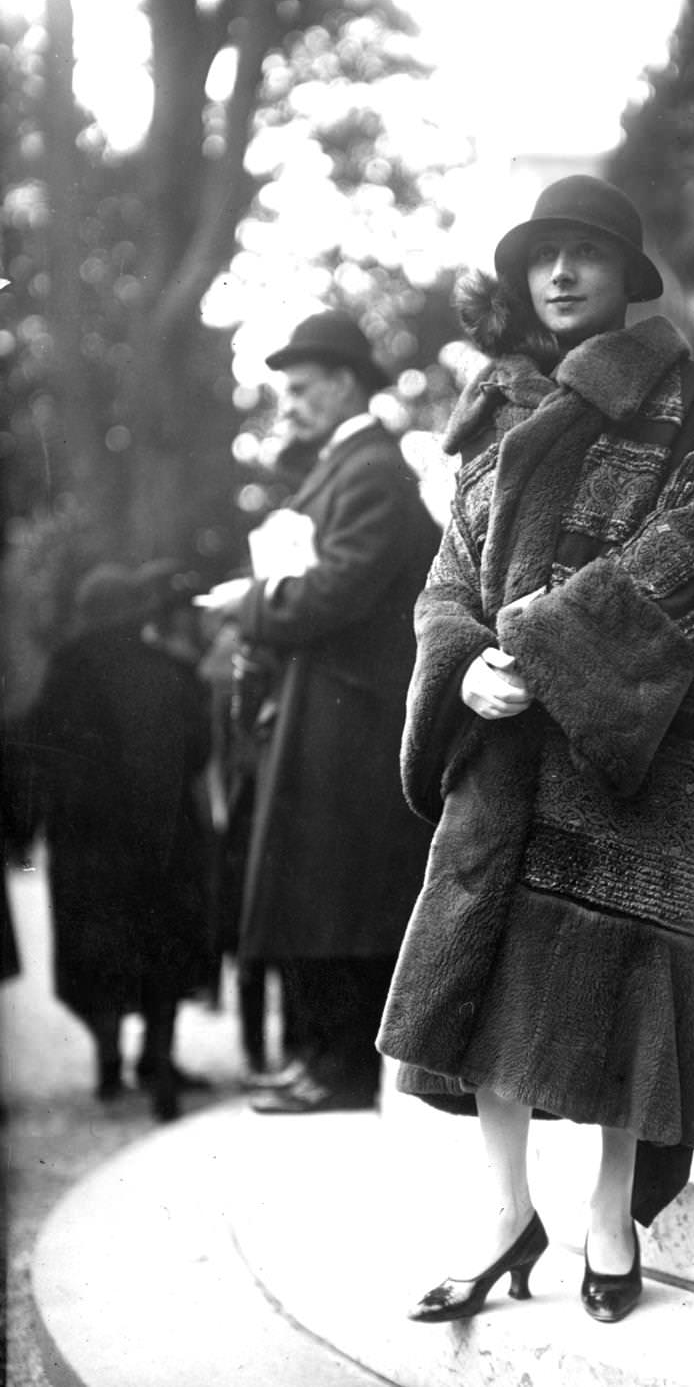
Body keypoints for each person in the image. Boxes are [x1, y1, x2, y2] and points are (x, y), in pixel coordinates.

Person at [376, 175, 694, 1323]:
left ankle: (607, 1212)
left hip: (631, 734)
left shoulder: (689, 404)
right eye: (544, 254)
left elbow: (693, 551)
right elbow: (449, 571)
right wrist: (466, 660)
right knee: (488, 973)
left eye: (588, 252)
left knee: (625, 972)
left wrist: (541, 646)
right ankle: (503, 1214)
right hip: (503, 732)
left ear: (625, 277)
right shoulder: (491, 407)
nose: (562, 273)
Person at [201, 309, 438, 1114]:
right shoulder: (347, 465)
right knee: (322, 888)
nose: (290, 405)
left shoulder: (369, 468)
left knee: (342, 893)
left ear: (344, 385)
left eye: (302, 390)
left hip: (355, 719)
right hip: (331, 710)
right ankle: (321, 1059)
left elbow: (339, 589)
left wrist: (252, 601)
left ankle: (338, 1069)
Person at [10, 562, 214, 1122]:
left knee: (97, 949)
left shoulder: (65, 670)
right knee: (164, 944)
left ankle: (106, 1064)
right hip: (165, 836)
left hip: (89, 841)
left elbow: (33, 749)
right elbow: (199, 751)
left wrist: (28, 828)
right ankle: (160, 1061)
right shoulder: (173, 672)